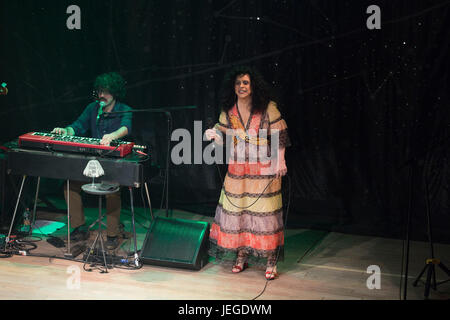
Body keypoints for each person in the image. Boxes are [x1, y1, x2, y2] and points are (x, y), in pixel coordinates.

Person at [205, 66, 290, 280]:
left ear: (253, 86)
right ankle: (241, 254)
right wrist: (213, 135)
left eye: (246, 83)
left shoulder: (267, 107)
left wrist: (281, 160)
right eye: (238, 83)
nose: (242, 86)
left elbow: (280, 134)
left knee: (265, 214)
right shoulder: (229, 110)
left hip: (263, 167)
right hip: (237, 167)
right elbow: (223, 136)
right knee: (239, 212)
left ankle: (271, 260)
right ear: (232, 86)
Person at [51, 72, 132, 250]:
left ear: (115, 92)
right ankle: (79, 227)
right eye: (99, 91)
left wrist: (112, 135)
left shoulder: (124, 108)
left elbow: (126, 127)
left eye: (106, 92)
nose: (101, 95)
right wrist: (65, 131)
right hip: (93, 165)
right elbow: (78, 126)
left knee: (112, 190)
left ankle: (112, 235)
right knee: (70, 184)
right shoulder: (92, 108)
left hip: (113, 167)